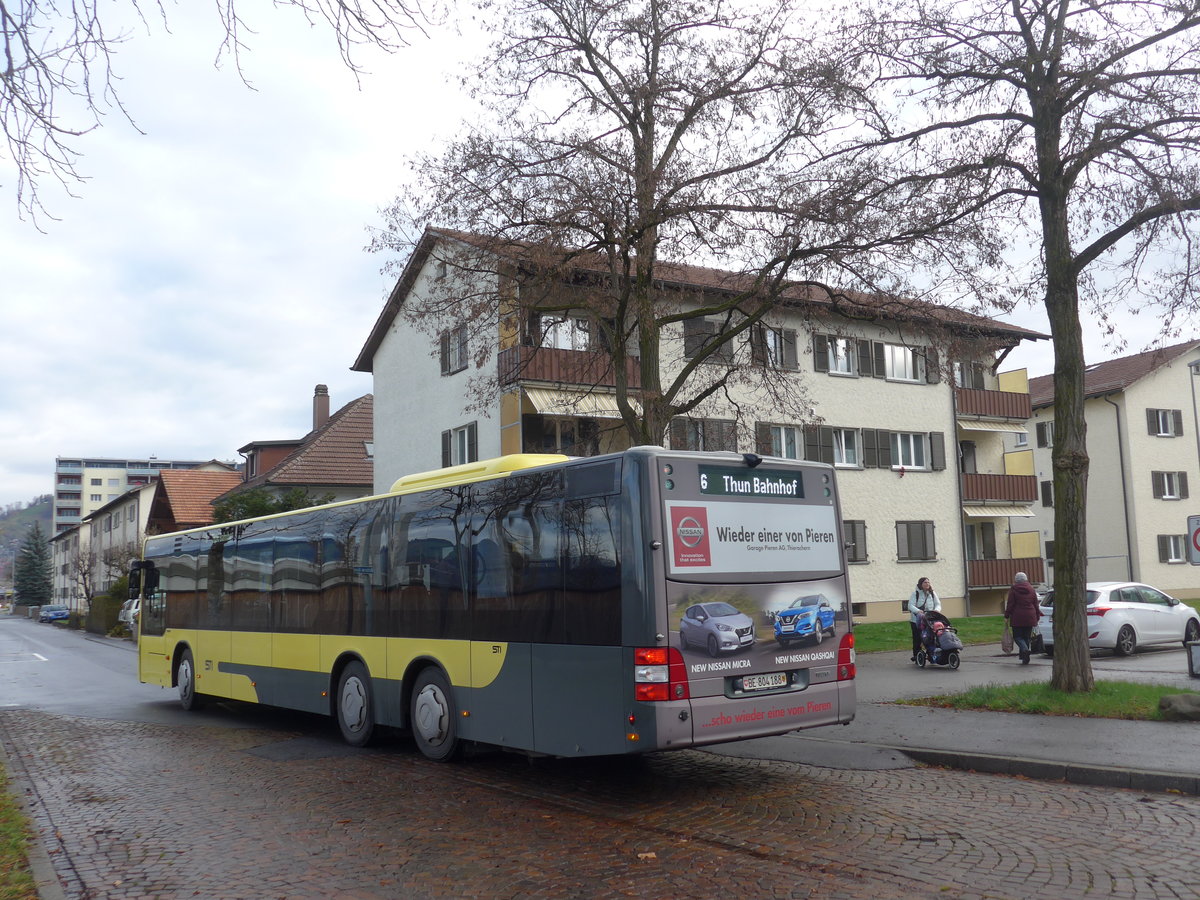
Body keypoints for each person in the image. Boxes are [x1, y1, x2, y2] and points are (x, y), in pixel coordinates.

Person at [1005, 571, 1042, 664]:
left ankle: (1025, 650)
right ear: (1026, 579)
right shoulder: (1031, 589)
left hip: (1017, 617)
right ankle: (1025, 658)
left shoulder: (1013, 590)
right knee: (1026, 638)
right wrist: (1037, 616)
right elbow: (1036, 604)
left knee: (1017, 637)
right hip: (1030, 616)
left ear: (1016, 580)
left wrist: (1006, 615)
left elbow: (1010, 604)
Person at [907, 576, 941, 662]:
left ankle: (931, 654)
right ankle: (916, 655)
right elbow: (910, 605)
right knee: (917, 638)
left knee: (931, 637)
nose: (927, 584)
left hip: (930, 619)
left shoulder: (932, 593)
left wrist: (936, 610)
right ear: (920, 584)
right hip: (917, 620)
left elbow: (938, 604)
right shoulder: (915, 594)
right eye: (925, 582)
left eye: (928, 582)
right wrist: (918, 611)